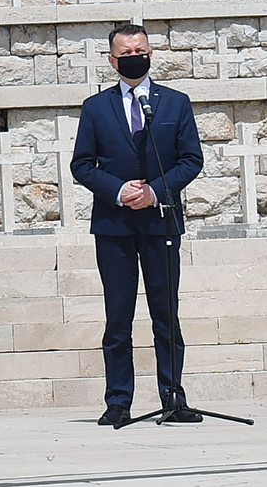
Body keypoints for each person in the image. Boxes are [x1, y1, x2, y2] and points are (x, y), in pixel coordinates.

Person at [71, 23, 205, 426]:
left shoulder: (175, 103)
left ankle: (173, 396)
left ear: (151, 54)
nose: (135, 58)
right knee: (118, 317)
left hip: (160, 223)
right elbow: (82, 164)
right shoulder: (96, 107)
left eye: (140, 51)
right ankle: (118, 400)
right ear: (113, 61)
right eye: (126, 53)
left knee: (166, 314)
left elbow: (191, 159)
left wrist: (155, 192)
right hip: (114, 225)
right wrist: (118, 190)